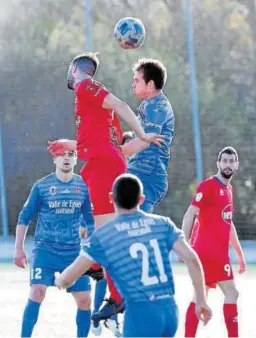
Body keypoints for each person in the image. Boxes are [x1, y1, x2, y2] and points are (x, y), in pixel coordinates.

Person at [48, 52, 164, 331]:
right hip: (102, 164)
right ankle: (100, 269)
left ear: (76, 69)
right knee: (92, 222)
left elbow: (122, 104)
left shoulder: (85, 86)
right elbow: (101, 140)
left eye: (70, 68)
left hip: (103, 166)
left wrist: (142, 133)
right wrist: (70, 144)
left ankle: (116, 295)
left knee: (105, 235)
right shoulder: (91, 101)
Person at [54, 173, 212, 337]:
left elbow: (68, 278)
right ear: (141, 199)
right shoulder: (163, 224)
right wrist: (201, 299)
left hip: (140, 313)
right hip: (169, 311)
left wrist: (59, 279)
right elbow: (192, 259)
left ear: (111, 198)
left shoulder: (105, 236)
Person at [13, 140, 94, 338]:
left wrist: (93, 245)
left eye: (71, 154)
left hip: (74, 252)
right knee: (37, 292)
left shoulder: (84, 186)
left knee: (84, 300)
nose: (66, 158)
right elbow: (24, 217)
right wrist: (19, 249)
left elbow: (91, 220)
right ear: (55, 158)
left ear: (76, 158)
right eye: (62, 154)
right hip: (45, 250)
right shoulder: (42, 186)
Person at [182, 146, 246, 338]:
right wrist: (183, 244)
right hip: (209, 253)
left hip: (214, 254)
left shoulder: (228, 188)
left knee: (199, 297)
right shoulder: (209, 185)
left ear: (236, 165)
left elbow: (229, 223)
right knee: (232, 293)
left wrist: (240, 255)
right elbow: (190, 213)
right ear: (218, 163)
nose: (227, 164)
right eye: (224, 161)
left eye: (231, 161)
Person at [122, 58, 175, 213]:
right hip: (140, 171)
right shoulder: (149, 105)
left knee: (135, 226)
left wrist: (114, 151)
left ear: (150, 84)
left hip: (147, 173)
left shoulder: (156, 106)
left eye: (137, 80)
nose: (133, 84)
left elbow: (143, 142)